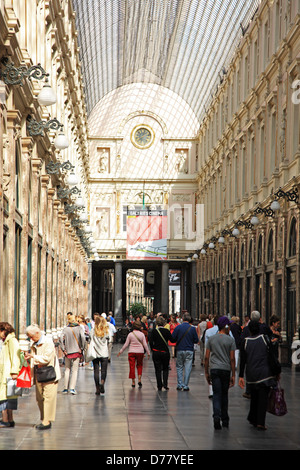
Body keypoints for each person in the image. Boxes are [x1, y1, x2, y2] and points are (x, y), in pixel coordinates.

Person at [239, 320, 279, 430]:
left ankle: (253, 418)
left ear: (250, 330)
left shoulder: (245, 342)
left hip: (252, 374)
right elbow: (272, 355)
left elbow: (243, 360)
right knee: (263, 398)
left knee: (254, 396)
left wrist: (241, 376)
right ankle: (260, 422)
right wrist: (277, 371)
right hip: (265, 374)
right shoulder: (264, 339)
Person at [25, 324, 61, 430]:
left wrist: (33, 357)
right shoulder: (34, 343)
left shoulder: (48, 342)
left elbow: (47, 358)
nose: (31, 339)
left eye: (31, 336)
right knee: (40, 398)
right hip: (39, 373)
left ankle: (47, 421)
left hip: (49, 374)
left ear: (37, 333)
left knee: (48, 398)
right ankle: (44, 418)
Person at [204, 316, 236, 429]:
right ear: (226, 327)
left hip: (214, 369)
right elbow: (232, 358)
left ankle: (216, 416)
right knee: (224, 394)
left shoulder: (212, 339)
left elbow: (206, 357)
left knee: (216, 394)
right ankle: (225, 418)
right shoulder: (230, 340)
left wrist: (206, 373)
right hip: (226, 370)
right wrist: (233, 374)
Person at [117, 320, 150, 388]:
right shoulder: (142, 334)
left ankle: (133, 381)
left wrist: (121, 351)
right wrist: (148, 353)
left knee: (132, 366)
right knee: (139, 365)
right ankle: (139, 379)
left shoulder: (130, 334)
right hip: (140, 352)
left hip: (131, 352)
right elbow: (145, 345)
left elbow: (126, 344)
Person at [171, 312, 199, 391]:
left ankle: (179, 384)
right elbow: (196, 340)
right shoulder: (192, 328)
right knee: (188, 367)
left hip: (180, 349)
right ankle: (186, 385)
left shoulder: (178, 327)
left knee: (179, 367)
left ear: (182, 319)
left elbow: (173, 338)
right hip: (189, 350)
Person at [0, 322, 21, 428]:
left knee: (4, 397)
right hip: (6, 372)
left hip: (8, 373)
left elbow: (15, 357)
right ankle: (9, 419)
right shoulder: (6, 341)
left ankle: (5, 419)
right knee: (9, 396)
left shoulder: (12, 341)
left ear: (3, 331)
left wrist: (14, 372)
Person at [59, 312, 86, 395]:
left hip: (68, 352)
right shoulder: (79, 328)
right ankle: (72, 388)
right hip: (77, 351)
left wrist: (63, 349)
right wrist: (82, 348)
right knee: (74, 370)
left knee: (67, 369)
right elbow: (83, 337)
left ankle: (65, 388)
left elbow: (60, 338)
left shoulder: (66, 329)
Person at [149, 316, 173, 390]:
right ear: (163, 323)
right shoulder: (166, 331)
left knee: (157, 369)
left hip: (156, 352)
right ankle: (165, 384)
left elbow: (150, 341)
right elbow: (172, 340)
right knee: (165, 368)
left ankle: (159, 385)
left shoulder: (153, 331)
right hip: (165, 352)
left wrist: (153, 348)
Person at [90, 315, 110, 395]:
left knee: (96, 371)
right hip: (104, 353)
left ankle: (97, 389)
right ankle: (102, 382)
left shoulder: (93, 330)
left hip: (95, 353)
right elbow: (109, 340)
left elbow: (90, 339)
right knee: (104, 370)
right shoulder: (106, 331)